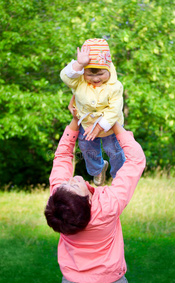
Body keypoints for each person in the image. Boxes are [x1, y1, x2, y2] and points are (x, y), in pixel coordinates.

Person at [44, 114, 146, 283]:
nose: (73, 178)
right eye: (75, 185)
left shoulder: (60, 202)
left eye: (68, 183)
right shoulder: (109, 205)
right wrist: (114, 123)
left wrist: (75, 121)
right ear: (87, 201)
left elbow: (62, 157)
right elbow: (136, 160)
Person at [60, 38, 126, 186]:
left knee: (114, 151)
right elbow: (65, 77)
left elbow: (114, 109)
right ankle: (98, 169)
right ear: (84, 72)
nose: (95, 79)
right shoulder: (80, 80)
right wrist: (79, 64)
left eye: (101, 74)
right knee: (87, 149)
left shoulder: (115, 86)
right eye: (90, 74)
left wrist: (100, 126)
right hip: (86, 124)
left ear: (108, 69)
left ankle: (120, 175)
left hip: (109, 126)